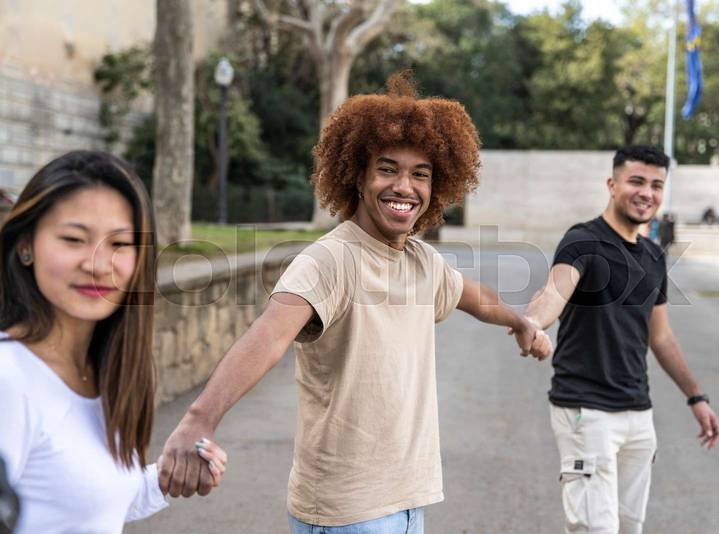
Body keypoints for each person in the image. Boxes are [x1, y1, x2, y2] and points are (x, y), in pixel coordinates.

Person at [157, 73, 553, 533]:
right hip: (349, 513)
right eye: (388, 169)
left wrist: (520, 322)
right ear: (358, 177)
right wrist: (198, 419)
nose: (404, 186)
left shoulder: (422, 260)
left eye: (420, 174)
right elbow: (268, 337)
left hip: (408, 502)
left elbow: (475, 297)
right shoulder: (330, 259)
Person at [0, 151, 228, 533]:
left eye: (120, 243)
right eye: (73, 239)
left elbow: (85, 502)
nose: (98, 264)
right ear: (26, 246)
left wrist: (165, 477)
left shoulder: (101, 369)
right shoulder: (9, 378)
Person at [524, 145, 719, 533]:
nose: (646, 192)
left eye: (656, 185)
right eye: (636, 181)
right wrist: (532, 323)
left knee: (630, 526)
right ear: (612, 185)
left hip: (637, 413)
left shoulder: (653, 256)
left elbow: (661, 337)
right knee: (596, 528)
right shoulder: (582, 241)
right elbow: (553, 293)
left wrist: (696, 397)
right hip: (585, 409)